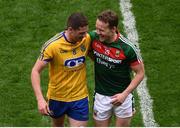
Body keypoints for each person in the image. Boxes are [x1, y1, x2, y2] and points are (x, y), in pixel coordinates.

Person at [31, 12, 92, 127]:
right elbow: (35, 71)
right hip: (57, 97)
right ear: (70, 29)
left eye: (86, 32)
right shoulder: (53, 45)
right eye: (81, 33)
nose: (84, 36)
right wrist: (40, 99)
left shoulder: (86, 39)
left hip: (79, 97)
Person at [89, 10, 145, 127]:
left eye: (102, 30)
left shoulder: (127, 48)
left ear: (113, 29)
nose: (97, 32)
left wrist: (124, 94)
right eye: (97, 28)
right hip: (101, 95)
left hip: (122, 97)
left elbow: (140, 73)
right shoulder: (93, 38)